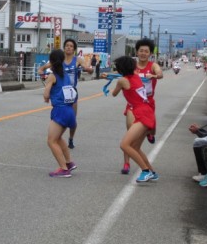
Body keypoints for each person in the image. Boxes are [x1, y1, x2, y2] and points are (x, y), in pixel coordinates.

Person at [102, 38, 163, 174]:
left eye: (146, 51)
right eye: (141, 50)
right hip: (132, 106)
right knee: (130, 139)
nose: (143, 53)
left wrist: (153, 75)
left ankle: (147, 170)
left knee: (130, 142)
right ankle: (127, 163)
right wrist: (111, 75)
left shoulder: (152, 66)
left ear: (150, 54)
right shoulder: (133, 68)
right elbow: (123, 74)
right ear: (136, 52)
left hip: (147, 104)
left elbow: (160, 74)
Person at [38, 39, 93, 148]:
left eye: (71, 46)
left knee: (72, 119)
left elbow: (88, 68)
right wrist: (41, 71)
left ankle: (71, 138)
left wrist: (88, 69)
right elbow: (42, 68)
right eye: (67, 45)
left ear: (74, 49)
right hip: (59, 92)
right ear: (64, 47)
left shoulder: (78, 60)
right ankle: (56, 136)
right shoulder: (59, 60)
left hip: (71, 93)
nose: (68, 47)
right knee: (59, 115)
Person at [111, 55, 158, 183]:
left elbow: (114, 93)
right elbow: (126, 79)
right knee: (135, 147)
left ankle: (145, 171)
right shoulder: (136, 75)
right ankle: (151, 171)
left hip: (141, 113)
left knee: (124, 145)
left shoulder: (122, 81)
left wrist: (115, 82)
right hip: (147, 111)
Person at [43, 49, 77, 178]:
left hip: (60, 110)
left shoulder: (52, 76)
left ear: (51, 61)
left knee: (51, 141)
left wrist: (47, 96)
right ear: (62, 60)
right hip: (69, 110)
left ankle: (63, 168)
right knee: (58, 138)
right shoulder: (66, 75)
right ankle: (69, 162)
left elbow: (46, 93)